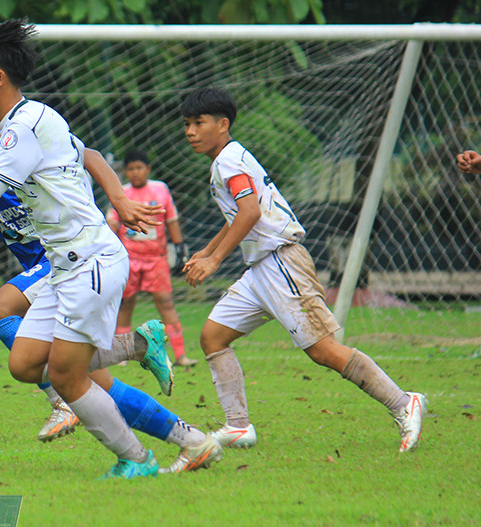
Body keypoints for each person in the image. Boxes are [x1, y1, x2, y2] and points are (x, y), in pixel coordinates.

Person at [0, 20, 222, 477]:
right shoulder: (29, 120)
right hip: (61, 265)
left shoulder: (23, 128)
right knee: (27, 362)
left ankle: (137, 459)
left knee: (68, 374)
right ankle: (179, 420)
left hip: (89, 261)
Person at [180, 87, 426, 452]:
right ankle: (237, 426)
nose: (190, 131)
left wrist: (214, 260)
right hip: (260, 269)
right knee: (213, 337)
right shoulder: (228, 159)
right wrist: (208, 248)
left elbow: (250, 213)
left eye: (199, 123)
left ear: (223, 124)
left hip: (281, 263)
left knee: (323, 351)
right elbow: (241, 212)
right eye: (187, 124)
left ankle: (403, 402)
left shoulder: (228, 161)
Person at [0, 74, 164, 443]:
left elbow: (90, 155)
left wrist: (119, 200)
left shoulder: (23, 141)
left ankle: (63, 401)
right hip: (40, 267)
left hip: (64, 256)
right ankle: (176, 425)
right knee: (94, 380)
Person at [108, 150, 197, 368]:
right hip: (128, 259)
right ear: (125, 172)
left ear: (148, 169)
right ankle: (121, 355)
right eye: (130, 169)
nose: (135, 173)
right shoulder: (121, 192)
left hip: (156, 259)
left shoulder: (160, 189)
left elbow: (172, 219)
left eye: (139, 168)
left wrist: (180, 249)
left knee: (166, 302)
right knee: (125, 304)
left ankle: (180, 355)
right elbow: (112, 222)